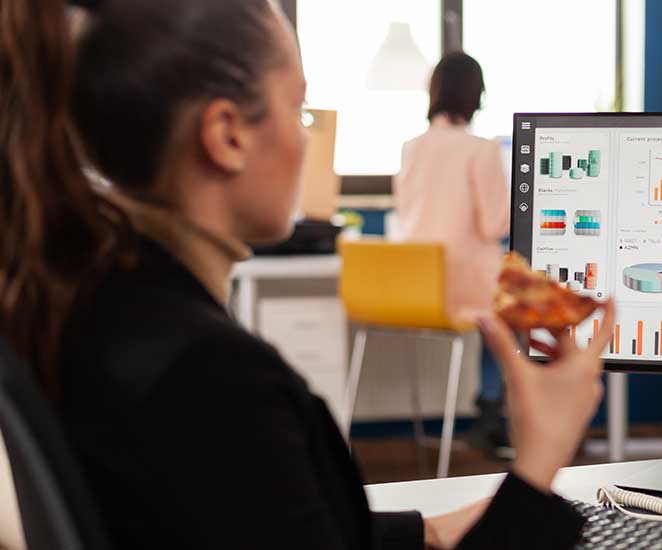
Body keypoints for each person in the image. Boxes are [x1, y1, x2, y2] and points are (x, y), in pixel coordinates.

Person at [0, 1, 615, 549]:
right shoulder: (214, 383)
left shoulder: (83, 303)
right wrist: (537, 464)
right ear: (227, 135)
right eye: (297, 109)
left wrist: (425, 529)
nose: (306, 140)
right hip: (463, 294)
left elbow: (250, 518)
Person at [392, 52, 512, 456]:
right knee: (512, 308)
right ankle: (493, 416)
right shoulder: (481, 149)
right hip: (466, 291)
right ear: (475, 95)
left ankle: (490, 411)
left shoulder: (411, 148)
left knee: (495, 306)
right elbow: (495, 224)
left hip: (416, 288)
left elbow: (407, 212)